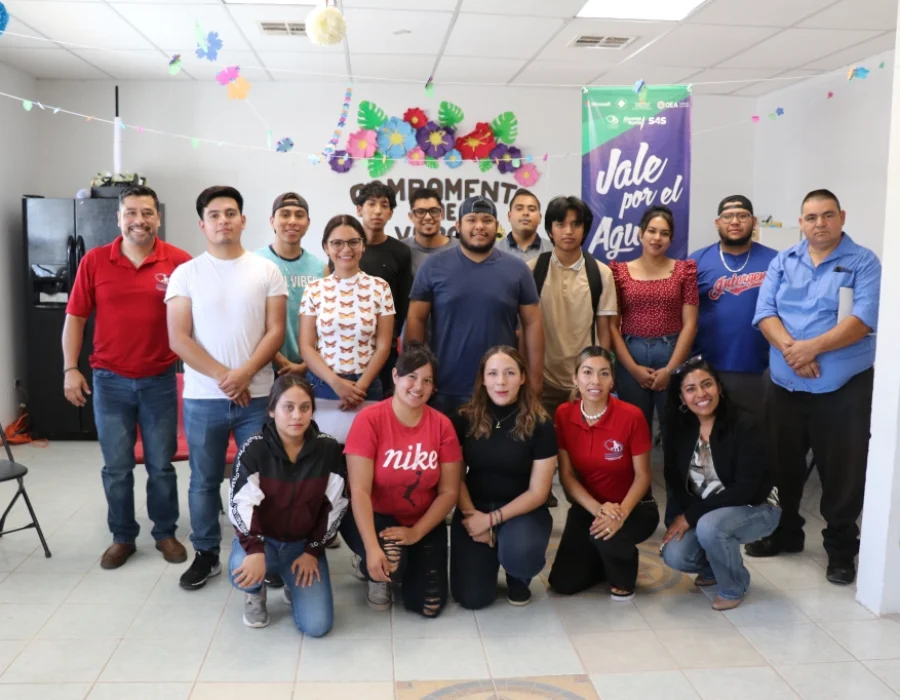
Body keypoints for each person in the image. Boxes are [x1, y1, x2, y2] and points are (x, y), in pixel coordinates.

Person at [746, 189, 881, 586]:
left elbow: (863, 320)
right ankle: (784, 532)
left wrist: (811, 349)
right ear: (801, 222)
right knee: (779, 464)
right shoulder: (784, 261)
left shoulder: (863, 262)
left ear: (841, 216)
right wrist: (793, 352)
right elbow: (765, 312)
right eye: (810, 217)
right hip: (785, 384)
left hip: (843, 388)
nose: (818, 224)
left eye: (826, 215)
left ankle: (840, 551)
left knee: (843, 472)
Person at [63, 185, 191, 570]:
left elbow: (198, 320)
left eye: (147, 212)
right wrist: (71, 368)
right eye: (131, 212)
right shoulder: (95, 261)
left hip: (160, 380)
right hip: (109, 381)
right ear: (119, 218)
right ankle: (122, 537)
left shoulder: (180, 262)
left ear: (159, 217)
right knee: (117, 467)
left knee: (160, 465)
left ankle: (165, 532)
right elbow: (75, 319)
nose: (140, 220)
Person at [166, 186, 288, 591]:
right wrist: (226, 376)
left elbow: (275, 332)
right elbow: (179, 339)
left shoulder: (266, 270)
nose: (224, 220)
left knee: (259, 479)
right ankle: (206, 553)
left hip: (257, 398)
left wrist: (244, 375)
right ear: (203, 224)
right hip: (204, 399)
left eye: (231, 213)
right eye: (215, 215)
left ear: (243, 220)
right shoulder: (187, 273)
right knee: (203, 480)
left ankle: (260, 550)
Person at [340, 342, 462, 615]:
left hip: (422, 520)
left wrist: (417, 532)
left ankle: (402, 564)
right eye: (412, 377)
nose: (419, 386)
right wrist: (372, 549)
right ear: (395, 376)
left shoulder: (442, 425)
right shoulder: (369, 420)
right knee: (391, 560)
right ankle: (370, 566)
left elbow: (449, 493)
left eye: (427, 380)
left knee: (429, 606)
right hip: (376, 515)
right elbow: (358, 491)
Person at [660, 357, 781, 611]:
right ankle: (714, 568)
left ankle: (734, 585)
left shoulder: (745, 424)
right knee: (675, 553)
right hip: (708, 512)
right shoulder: (680, 429)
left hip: (756, 506)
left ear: (719, 388)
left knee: (709, 526)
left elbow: (746, 489)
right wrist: (678, 517)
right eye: (691, 389)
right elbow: (675, 481)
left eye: (707, 385)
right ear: (682, 398)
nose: (701, 394)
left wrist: (691, 516)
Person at [228, 376, 347, 633]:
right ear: (272, 410)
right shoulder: (254, 450)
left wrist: (312, 551)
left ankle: (291, 582)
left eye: (305, 407)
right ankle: (255, 592)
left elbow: (336, 507)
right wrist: (254, 549)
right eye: (288, 407)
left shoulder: (329, 450)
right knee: (241, 569)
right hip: (264, 540)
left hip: (302, 545)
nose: (297, 415)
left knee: (317, 626)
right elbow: (241, 505)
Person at [406, 196, 544, 418]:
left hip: (501, 388)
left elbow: (533, 324)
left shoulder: (518, 270)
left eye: (487, 220)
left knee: (496, 453)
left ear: (497, 227)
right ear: (458, 226)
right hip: (443, 388)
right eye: (471, 219)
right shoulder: (433, 266)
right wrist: (415, 376)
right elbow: (415, 319)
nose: (479, 226)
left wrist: (535, 382)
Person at [548, 347, 659, 601]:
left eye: (603, 373)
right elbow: (566, 476)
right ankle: (600, 557)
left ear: (612, 380)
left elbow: (643, 476)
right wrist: (599, 509)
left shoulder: (631, 416)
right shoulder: (564, 414)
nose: (595, 381)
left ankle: (624, 565)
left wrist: (619, 514)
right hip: (589, 507)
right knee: (563, 583)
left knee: (608, 539)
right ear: (575, 378)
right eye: (587, 373)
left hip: (634, 507)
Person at [450, 346, 557, 609]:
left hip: (524, 510)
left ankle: (517, 576)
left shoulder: (541, 423)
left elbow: (538, 492)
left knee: (520, 555)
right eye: (493, 373)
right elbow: (454, 478)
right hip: (474, 508)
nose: (501, 381)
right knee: (472, 599)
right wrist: (473, 517)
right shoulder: (464, 418)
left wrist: (492, 520)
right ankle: (490, 556)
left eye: (509, 373)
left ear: (522, 377)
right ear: (482, 379)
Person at [609, 205, 699, 441]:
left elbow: (690, 324)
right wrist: (632, 369)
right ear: (640, 233)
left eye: (664, 233)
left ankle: (676, 479)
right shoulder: (619, 272)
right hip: (631, 357)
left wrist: (671, 370)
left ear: (671, 239)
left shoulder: (684, 271)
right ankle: (639, 479)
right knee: (633, 433)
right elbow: (611, 326)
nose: (657, 238)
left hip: (672, 353)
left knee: (676, 431)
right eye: (652, 231)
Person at [526, 195, 617, 420]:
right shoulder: (532, 270)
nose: (569, 231)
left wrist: (600, 375)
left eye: (576, 224)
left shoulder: (601, 273)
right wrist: (530, 377)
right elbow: (523, 326)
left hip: (585, 383)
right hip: (542, 381)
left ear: (585, 230)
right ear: (549, 230)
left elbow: (604, 329)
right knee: (545, 450)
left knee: (585, 451)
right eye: (561, 224)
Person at [689, 196, 777, 422]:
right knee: (714, 435)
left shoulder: (776, 260)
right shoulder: (696, 261)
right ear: (717, 223)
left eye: (742, 215)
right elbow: (684, 315)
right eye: (728, 216)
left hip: (762, 367)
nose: (735, 221)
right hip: (709, 367)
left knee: (757, 438)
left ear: (754, 221)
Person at [299, 215, 394, 408]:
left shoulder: (380, 287)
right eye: (337, 243)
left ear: (363, 245)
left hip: (366, 386)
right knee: (323, 439)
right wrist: (337, 384)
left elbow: (383, 346)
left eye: (353, 242)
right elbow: (306, 347)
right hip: (323, 384)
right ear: (326, 247)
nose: (346, 249)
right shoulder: (314, 289)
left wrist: (361, 387)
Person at [255, 192, 326, 378]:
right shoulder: (256, 262)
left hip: (312, 369)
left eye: (299, 215)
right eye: (285, 214)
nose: (292, 221)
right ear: (272, 221)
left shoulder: (320, 267)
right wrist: (278, 359)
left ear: (308, 223)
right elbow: (252, 320)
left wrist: (306, 365)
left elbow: (325, 324)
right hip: (265, 367)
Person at [354, 181, 413, 397]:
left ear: (390, 213)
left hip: (386, 349)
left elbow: (404, 306)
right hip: (347, 347)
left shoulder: (401, 252)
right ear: (359, 209)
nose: (378, 210)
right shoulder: (347, 248)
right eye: (371, 204)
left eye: (384, 205)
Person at [401, 187, 459, 276]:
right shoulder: (401, 249)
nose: (428, 217)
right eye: (420, 212)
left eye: (434, 211)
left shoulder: (461, 249)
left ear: (442, 214)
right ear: (411, 216)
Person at [501, 189, 553, 261]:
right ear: (509, 216)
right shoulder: (494, 251)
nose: (525, 213)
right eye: (519, 209)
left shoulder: (553, 250)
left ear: (540, 217)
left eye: (531, 209)